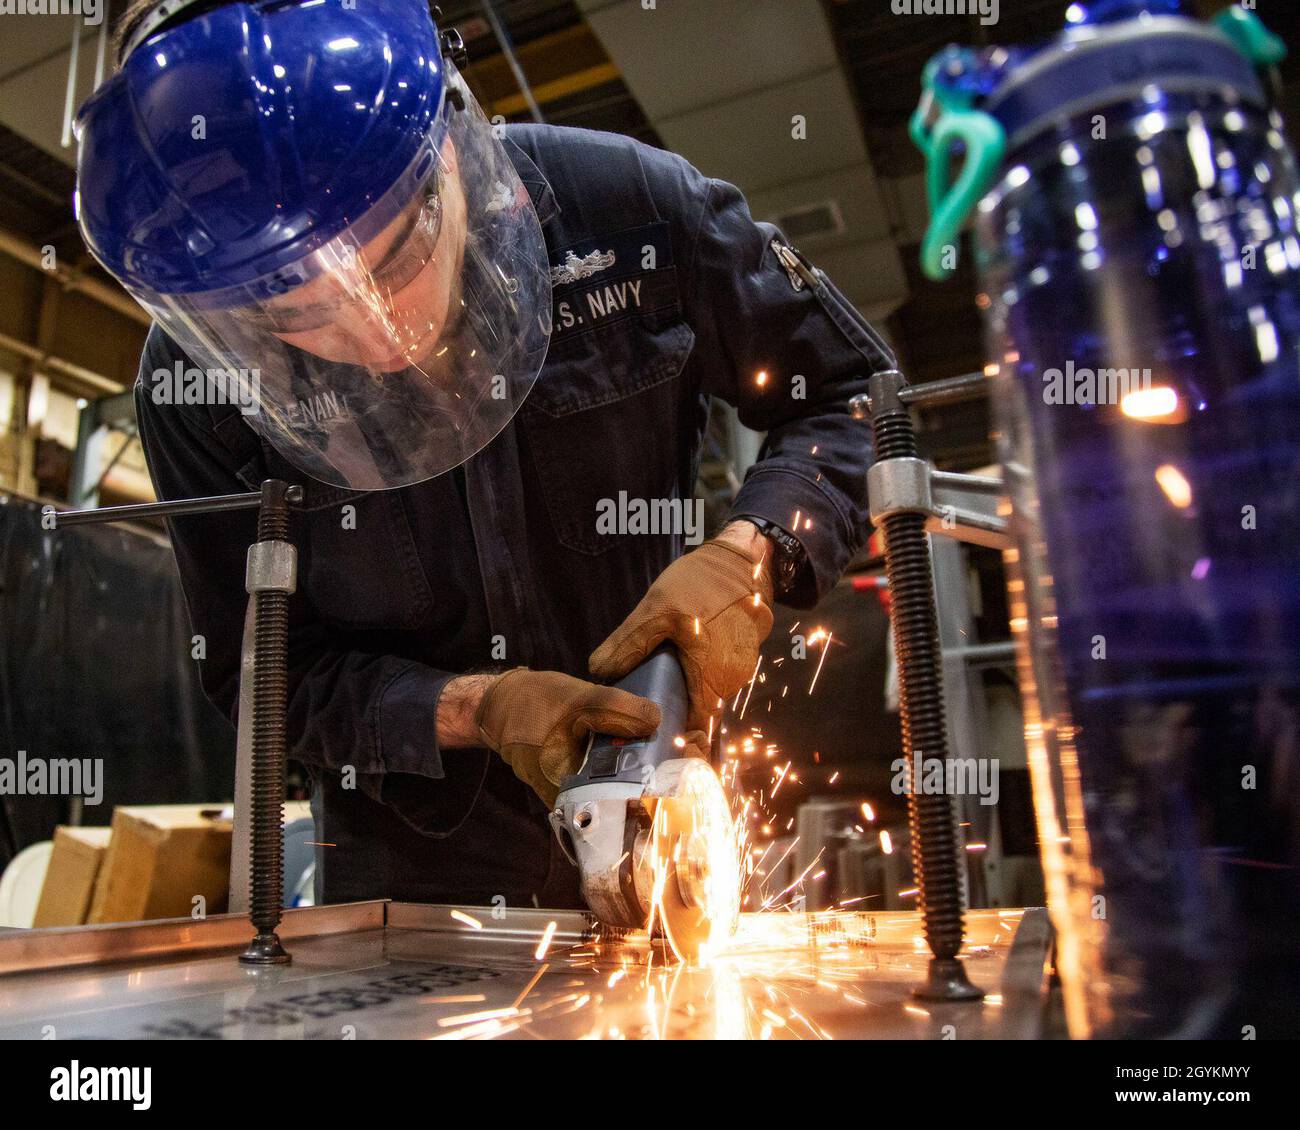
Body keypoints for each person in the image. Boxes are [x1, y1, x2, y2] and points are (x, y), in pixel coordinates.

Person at [74, 0, 894, 907]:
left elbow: (856, 395)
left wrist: (753, 554)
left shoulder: (629, 213)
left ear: (449, 146)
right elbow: (265, 676)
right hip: (415, 868)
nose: (376, 338)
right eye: (294, 316)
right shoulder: (198, 388)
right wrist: (473, 708)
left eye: (394, 263)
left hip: (664, 808)